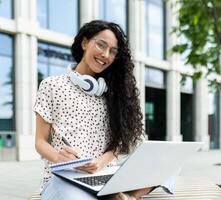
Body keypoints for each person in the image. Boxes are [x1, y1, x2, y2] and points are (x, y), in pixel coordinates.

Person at [34, 20, 155, 200]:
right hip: (65, 176)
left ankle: (122, 195)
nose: (106, 54)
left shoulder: (114, 93)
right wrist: (60, 158)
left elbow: (119, 142)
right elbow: (40, 142)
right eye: (101, 44)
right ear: (84, 43)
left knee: (164, 169)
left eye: (112, 51)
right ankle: (123, 196)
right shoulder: (51, 85)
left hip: (107, 174)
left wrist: (101, 162)